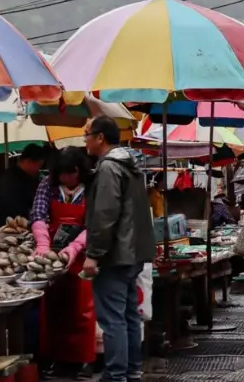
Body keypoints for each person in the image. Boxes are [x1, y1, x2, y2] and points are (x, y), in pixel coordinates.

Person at [82, 116, 155, 382]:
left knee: (113, 319)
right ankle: (132, 370)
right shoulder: (130, 166)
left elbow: (105, 214)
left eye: (87, 135)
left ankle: (115, 375)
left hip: (115, 255)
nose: (85, 141)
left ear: (100, 137)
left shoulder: (108, 168)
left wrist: (93, 254)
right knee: (127, 316)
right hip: (133, 253)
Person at [30, 148, 95, 380]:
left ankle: (83, 360)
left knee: (82, 309)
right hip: (51, 258)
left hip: (82, 257)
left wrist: (75, 248)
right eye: (64, 174)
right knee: (54, 308)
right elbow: (38, 215)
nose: (68, 179)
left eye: (73, 174)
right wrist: (43, 246)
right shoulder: (47, 185)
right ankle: (56, 359)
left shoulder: (93, 187)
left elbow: (94, 223)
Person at [0, 144, 46, 231]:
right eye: (38, 165)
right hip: (11, 228)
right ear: (28, 162)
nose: (38, 170)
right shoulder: (12, 179)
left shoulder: (15, 175)